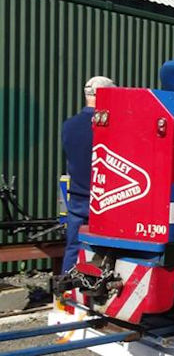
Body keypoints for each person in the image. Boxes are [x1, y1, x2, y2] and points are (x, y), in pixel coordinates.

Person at [61, 75, 116, 271]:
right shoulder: (114, 127)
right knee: (109, 252)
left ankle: (65, 295)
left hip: (77, 200)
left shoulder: (68, 126)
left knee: (73, 248)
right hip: (107, 202)